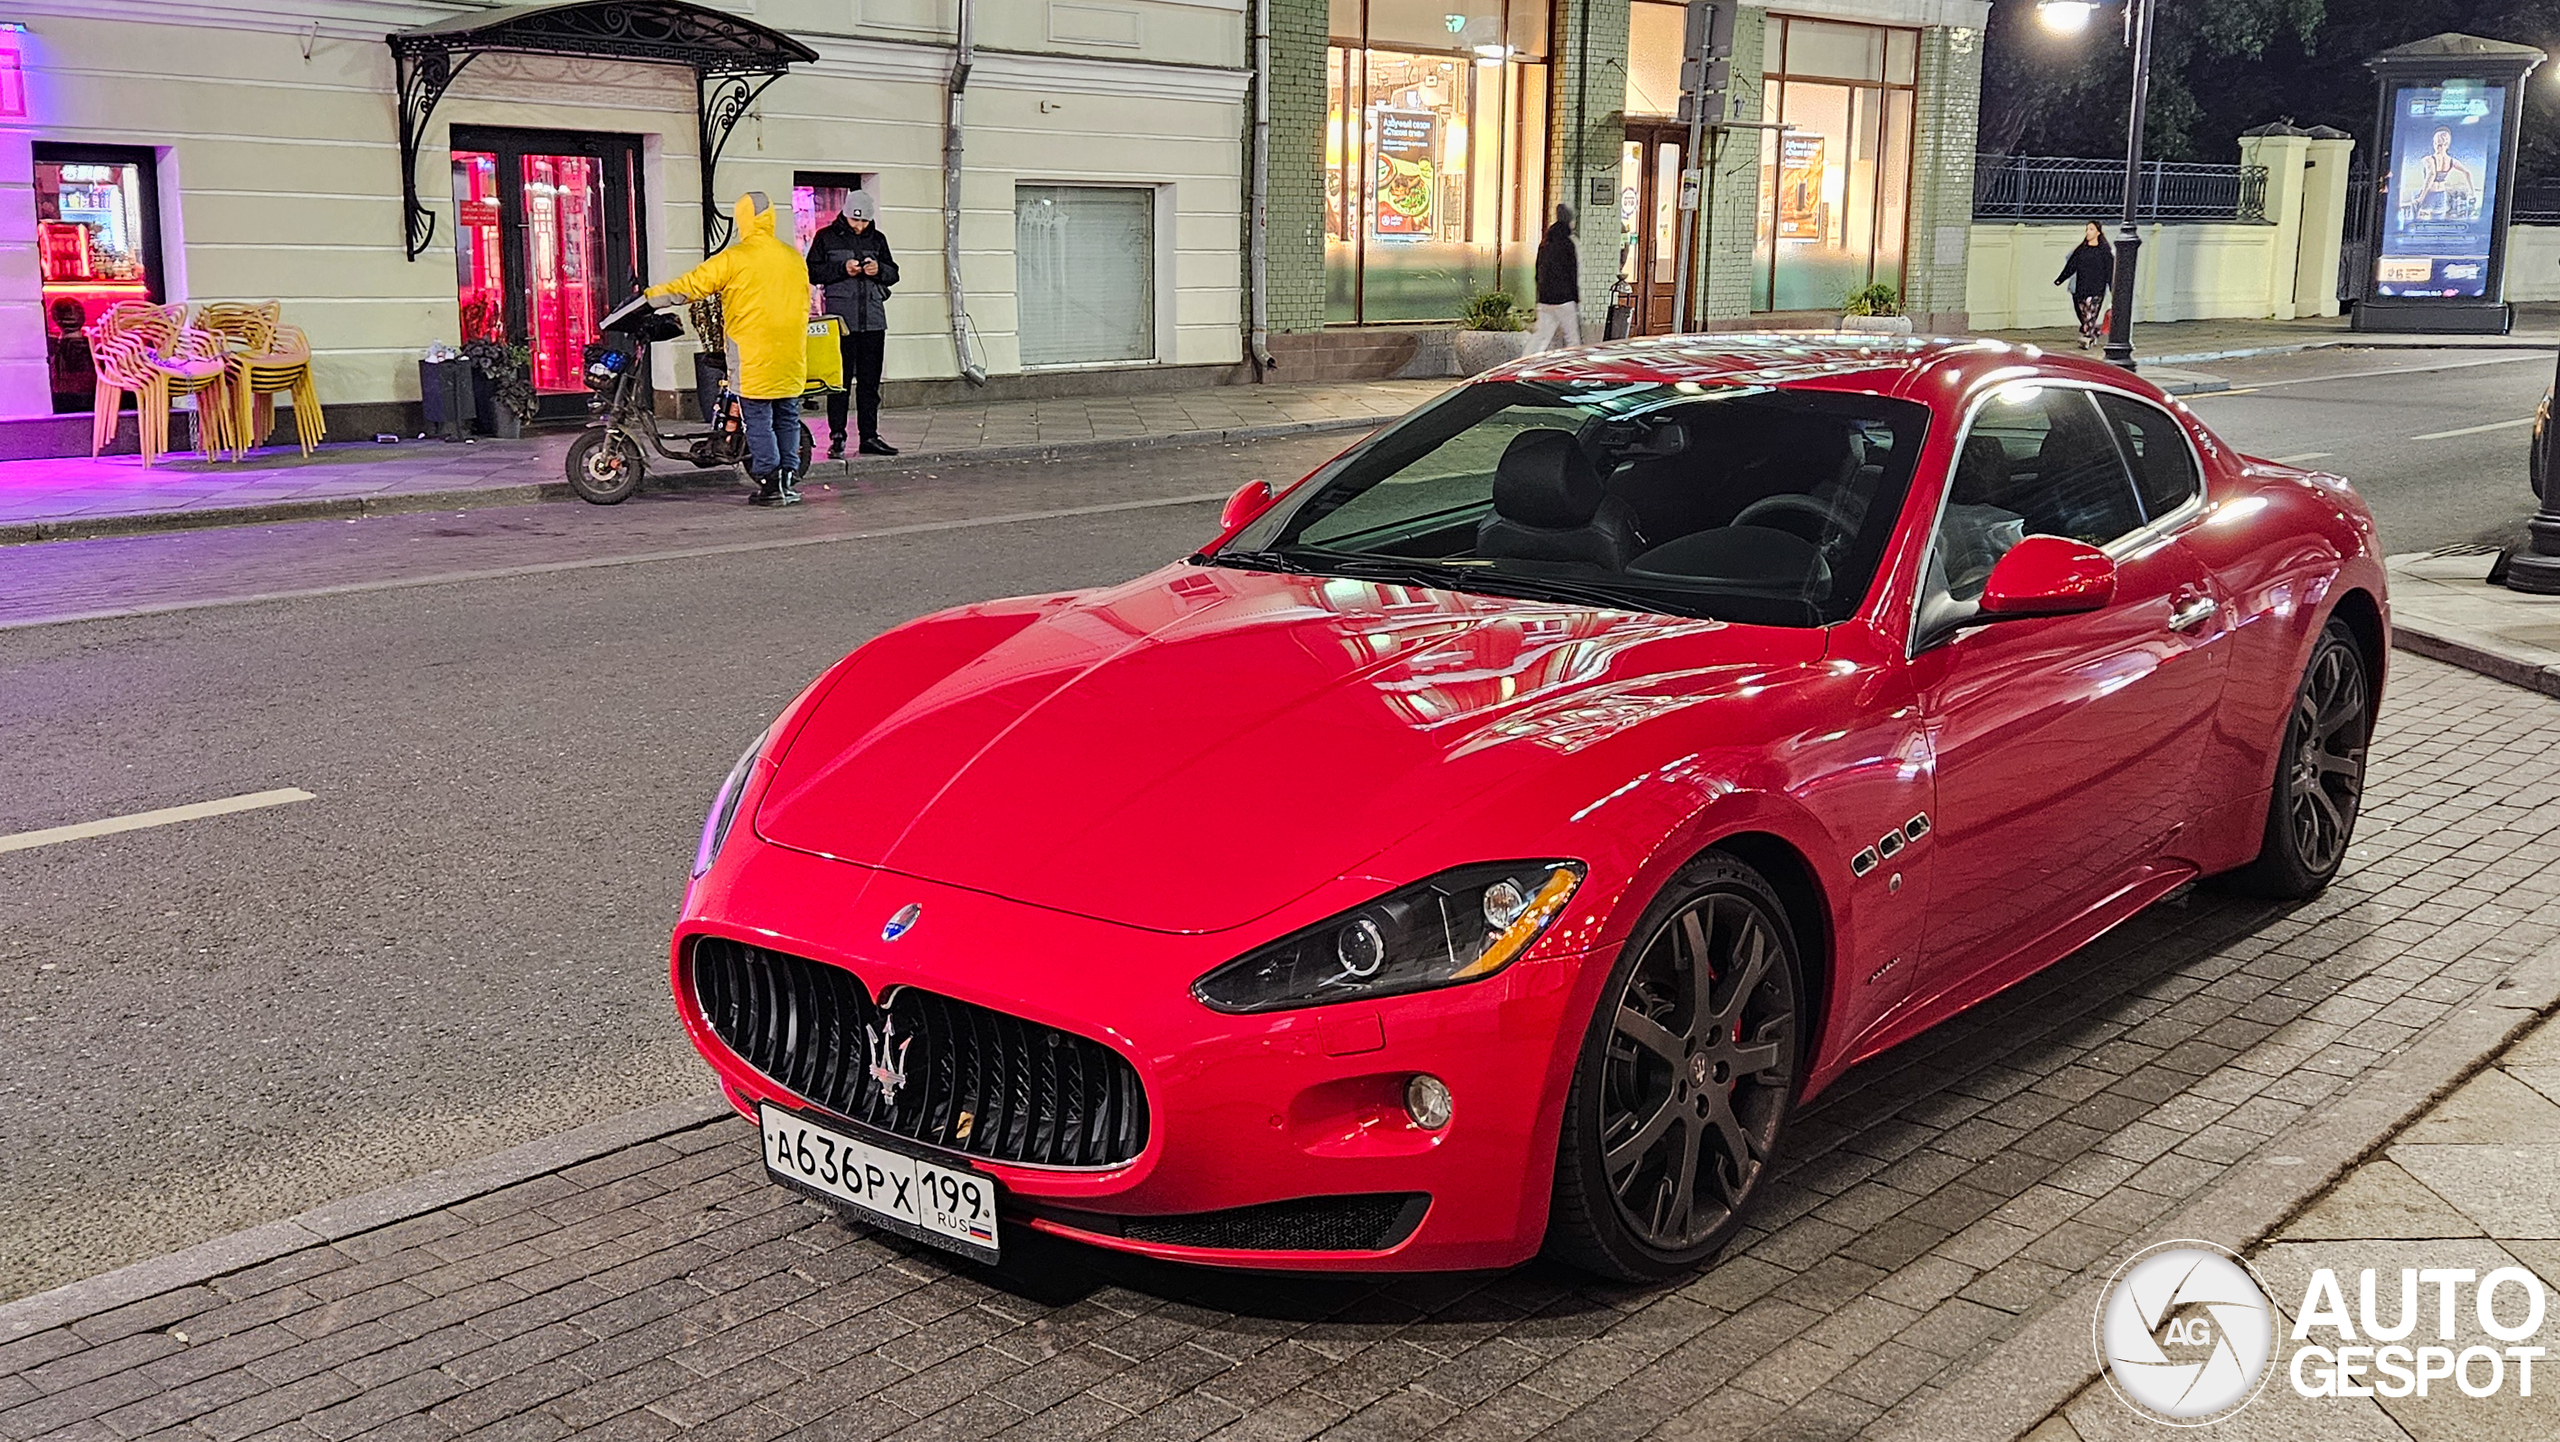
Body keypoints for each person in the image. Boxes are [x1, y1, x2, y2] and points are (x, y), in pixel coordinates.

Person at [647, 192, 810, 506]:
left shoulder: (735, 258)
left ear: (743, 219)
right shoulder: (793, 258)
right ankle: (788, 479)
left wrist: (651, 297)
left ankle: (769, 482)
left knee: (758, 418)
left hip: (753, 355)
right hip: (791, 354)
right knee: (787, 416)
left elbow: (692, 285)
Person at [805, 195, 900, 458]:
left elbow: (893, 273)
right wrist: (842, 269)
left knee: (870, 384)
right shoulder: (825, 237)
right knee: (839, 384)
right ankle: (837, 436)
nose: (859, 225)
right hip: (840, 323)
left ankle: (869, 436)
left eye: (864, 221)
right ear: (845, 214)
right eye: (855, 220)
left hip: (873, 322)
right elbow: (813, 272)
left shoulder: (877, 239)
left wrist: (879, 270)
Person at [1528, 204, 1580, 353]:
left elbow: (1538, 271)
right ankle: (1574, 365)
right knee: (1572, 339)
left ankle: (1526, 363)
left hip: (1545, 298)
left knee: (1540, 337)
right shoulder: (1568, 243)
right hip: (1564, 299)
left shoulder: (1545, 242)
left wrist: (1540, 294)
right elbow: (1572, 273)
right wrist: (1575, 297)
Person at [2054, 222, 2114, 351]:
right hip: (2082, 286)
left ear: (2098, 232)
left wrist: (2112, 287)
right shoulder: (2081, 250)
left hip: (2097, 288)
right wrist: (2060, 279)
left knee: (2090, 313)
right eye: (2087, 229)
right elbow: (2071, 266)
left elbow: (2109, 271)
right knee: (2083, 314)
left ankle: (2087, 338)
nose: (2088, 232)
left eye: (2091, 229)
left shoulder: (2104, 252)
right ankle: (2094, 332)